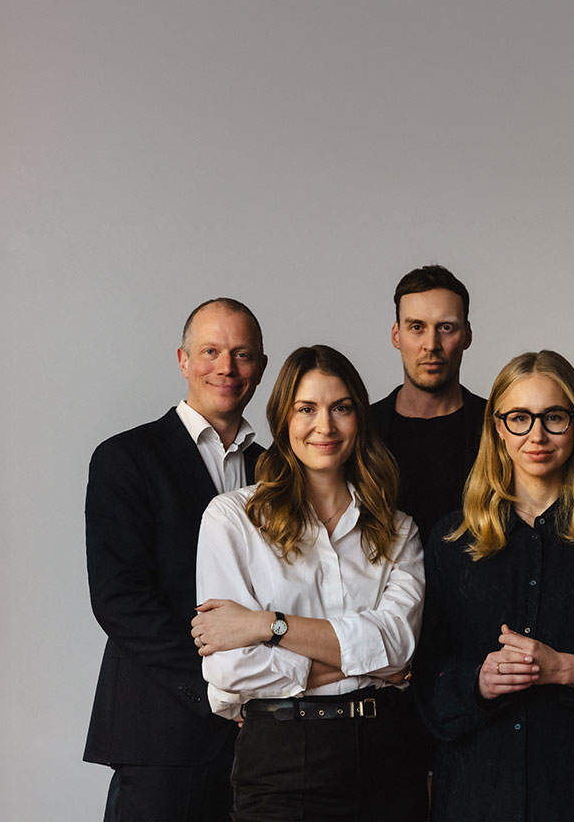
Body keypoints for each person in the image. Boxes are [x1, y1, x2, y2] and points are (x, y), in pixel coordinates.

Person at [416, 350, 574, 822]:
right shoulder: (452, 539)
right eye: (519, 418)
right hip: (478, 794)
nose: (537, 435)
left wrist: (568, 669)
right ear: (497, 428)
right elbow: (423, 673)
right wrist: (478, 682)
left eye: (553, 417)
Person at [192, 344, 427, 822]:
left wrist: (268, 626)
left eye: (340, 408)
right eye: (306, 409)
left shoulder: (398, 528)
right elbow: (231, 670)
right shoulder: (232, 519)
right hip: (282, 757)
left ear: (359, 419)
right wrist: (369, 662)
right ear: (283, 418)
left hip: (388, 754)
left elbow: (399, 644)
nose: (325, 426)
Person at [84, 297, 268, 822]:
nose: (226, 368)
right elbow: (121, 601)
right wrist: (221, 686)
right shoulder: (126, 458)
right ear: (183, 360)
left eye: (241, 354)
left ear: (260, 367)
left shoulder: (277, 469)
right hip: (162, 731)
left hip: (264, 736)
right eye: (210, 351)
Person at [370, 264, 485, 540]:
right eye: (417, 327)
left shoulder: (497, 425)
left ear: (467, 335)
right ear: (396, 335)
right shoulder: (363, 429)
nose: (431, 344)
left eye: (446, 327)